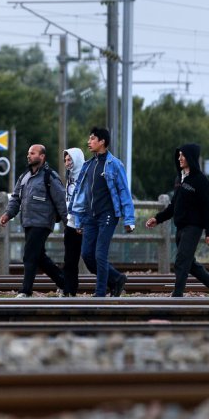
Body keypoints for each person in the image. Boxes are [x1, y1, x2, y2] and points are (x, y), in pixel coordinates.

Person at [145, 143, 209, 297]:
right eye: (179, 155)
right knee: (190, 264)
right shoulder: (179, 178)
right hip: (180, 227)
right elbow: (173, 205)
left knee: (181, 262)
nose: (180, 158)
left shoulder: (200, 180)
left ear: (191, 157)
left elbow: (207, 207)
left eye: (183, 155)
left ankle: (177, 296)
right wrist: (158, 218)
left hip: (194, 227)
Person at [69, 127, 134, 297]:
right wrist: (79, 220)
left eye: (92, 139)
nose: (88, 142)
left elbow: (124, 192)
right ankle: (117, 279)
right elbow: (82, 194)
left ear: (102, 141)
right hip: (90, 217)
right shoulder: (88, 165)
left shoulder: (114, 164)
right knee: (87, 254)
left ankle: (100, 294)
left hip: (108, 215)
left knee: (100, 254)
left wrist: (129, 219)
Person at [0, 144, 68, 298]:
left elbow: (61, 201)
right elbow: (16, 198)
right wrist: (8, 214)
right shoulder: (24, 177)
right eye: (28, 153)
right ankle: (64, 283)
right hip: (28, 222)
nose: (28, 156)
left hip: (43, 223)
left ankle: (25, 291)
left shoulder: (50, 176)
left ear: (42, 156)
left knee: (29, 255)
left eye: (32, 153)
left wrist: (68, 223)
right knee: (39, 257)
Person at [60, 147, 86, 297]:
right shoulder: (70, 177)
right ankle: (69, 290)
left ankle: (114, 280)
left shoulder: (85, 176)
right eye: (65, 160)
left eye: (69, 159)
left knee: (91, 258)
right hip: (71, 224)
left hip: (82, 224)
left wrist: (81, 222)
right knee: (69, 260)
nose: (67, 163)